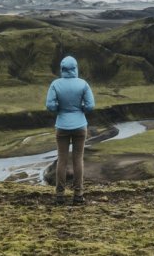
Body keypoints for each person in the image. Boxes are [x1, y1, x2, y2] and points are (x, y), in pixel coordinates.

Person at [45, 55, 95, 205]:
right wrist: (81, 109)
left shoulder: (55, 84)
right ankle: (78, 194)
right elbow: (90, 105)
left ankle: (60, 195)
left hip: (62, 126)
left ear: (62, 69)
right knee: (78, 159)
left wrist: (60, 109)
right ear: (75, 68)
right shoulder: (83, 84)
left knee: (62, 160)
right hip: (80, 125)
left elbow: (50, 105)